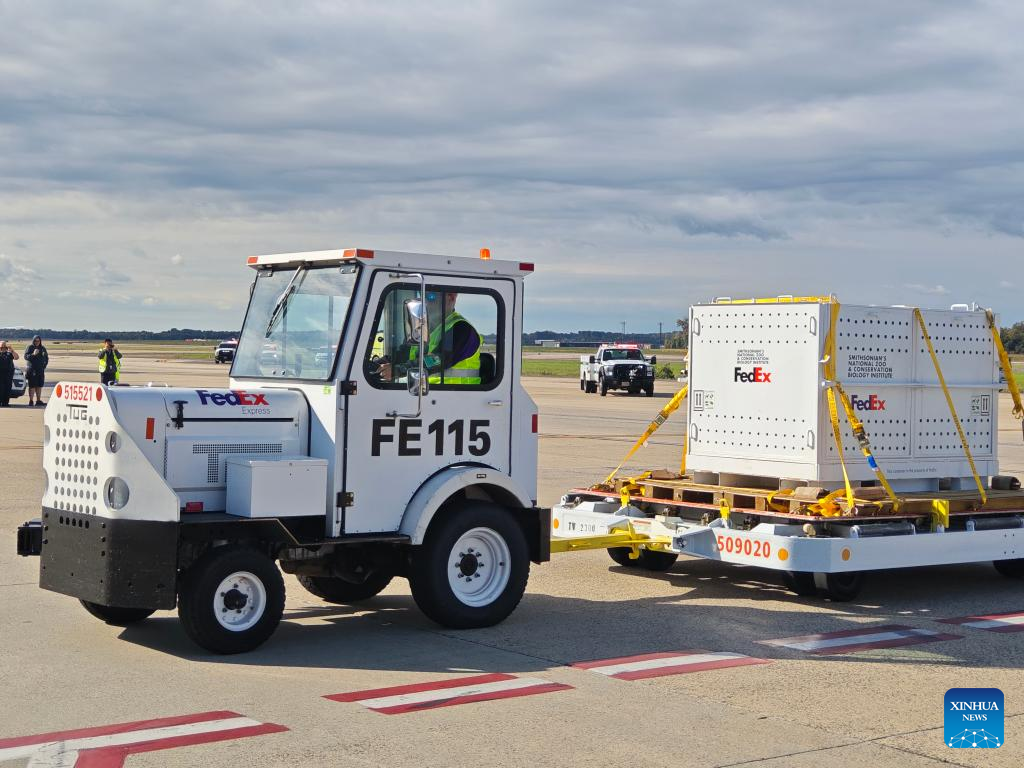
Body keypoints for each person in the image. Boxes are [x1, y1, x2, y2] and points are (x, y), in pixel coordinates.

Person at [375, 291, 482, 385]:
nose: (425, 301)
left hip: (456, 399)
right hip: (424, 395)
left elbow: (439, 359)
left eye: (431, 296)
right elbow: (403, 354)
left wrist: (399, 370)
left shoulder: (462, 329)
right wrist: (378, 364)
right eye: (423, 295)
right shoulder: (421, 329)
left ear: (451, 297)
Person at [23, 335, 48, 406]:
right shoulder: (30, 347)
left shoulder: (42, 348)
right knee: (32, 386)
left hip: (40, 370)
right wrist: (33, 354)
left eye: (38, 341)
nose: (37, 342)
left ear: (40, 341)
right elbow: (26, 357)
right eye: (35, 341)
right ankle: (31, 401)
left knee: (39, 385)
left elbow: (46, 358)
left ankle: (38, 400)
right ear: (33, 341)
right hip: (32, 370)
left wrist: (44, 366)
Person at [0, 341, 20, 407]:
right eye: (1, 347)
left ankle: (5, 403)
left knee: (7, 389)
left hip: (8, 374)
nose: (3, 349)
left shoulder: (9, 353)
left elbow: (17, 357)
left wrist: (12, 351)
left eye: (4, 347)